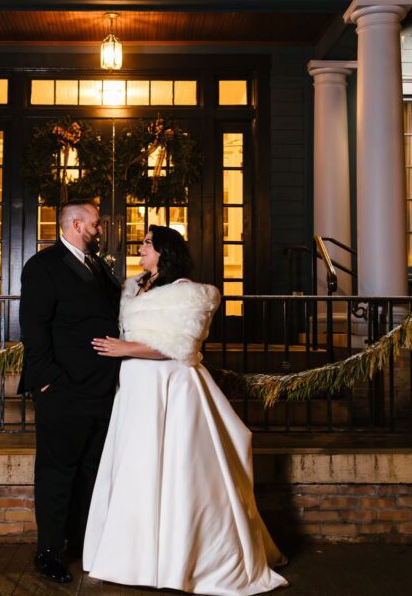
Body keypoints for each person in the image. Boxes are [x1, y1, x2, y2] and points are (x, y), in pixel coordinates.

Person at [83, 225, 288, 596]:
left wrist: (124, 349)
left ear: (165, 251)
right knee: (135, 466)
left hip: (171, 388)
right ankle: (131, 557)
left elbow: (181, 346)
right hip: (136, 390)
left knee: (177, 469)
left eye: (147, 243)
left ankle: (183, 560)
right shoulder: (133, 287)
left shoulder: (191, 294)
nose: (141, 247)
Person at [18, 199, 122, 584]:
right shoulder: (43, 266)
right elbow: (34, 326)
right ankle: (48, 551)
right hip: (63, 389)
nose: (100, 229)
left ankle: (82, 543)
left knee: (90, 471)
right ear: (76, 224)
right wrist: (48, 379)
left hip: (101, 389)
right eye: (95, 223)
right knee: (57, 472)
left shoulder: (97, 266)